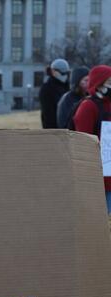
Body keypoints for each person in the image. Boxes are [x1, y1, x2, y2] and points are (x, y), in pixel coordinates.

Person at [72, 65, 111, 214]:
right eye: (109, 82)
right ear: (99, 84)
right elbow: (82, 140)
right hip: (98, 175)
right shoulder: (88, 106)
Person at [39, 58, 70, 129]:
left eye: (66, 73)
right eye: (62, 73)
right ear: (53, 71)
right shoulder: (47, 88)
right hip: (54, 129)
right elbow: (48, 114)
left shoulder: (68, 86)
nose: (64, 75)